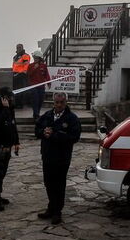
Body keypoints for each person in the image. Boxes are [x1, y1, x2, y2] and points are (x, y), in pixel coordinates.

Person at [35, 92, 81, 224]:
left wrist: (55, 135)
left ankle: (57, 212)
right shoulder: (47, 116)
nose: (59, 105)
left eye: (62, 102)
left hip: (62, 158)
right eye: (57, 102)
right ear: (53, 102)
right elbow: (37, 130)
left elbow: (74, 137)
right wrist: (43, 133)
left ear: (65, 102)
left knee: (59, 185)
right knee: (48, 183)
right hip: (47, 156)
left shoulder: (71, 118)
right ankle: (51, 207)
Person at [27, 51, 51, 119]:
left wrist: (49, 83)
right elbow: (28, 74)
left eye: (37, 58)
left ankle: (37, 113)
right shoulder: (30, 66)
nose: (35, 59)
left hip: (41, 86)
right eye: (34, 58)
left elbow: (46, 75)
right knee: (35, 100)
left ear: (40, 58)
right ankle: (36, 114)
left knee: (40, 100)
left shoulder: (44, 66)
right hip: (33, 86)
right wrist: (34, 68)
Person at [11, 44, 31, 108]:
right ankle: (17, 103)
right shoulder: (15, 57)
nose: (18, 49)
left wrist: (23, 73)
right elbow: (14, 66)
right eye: (17, 47)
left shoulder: (25, 56)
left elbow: (26, 65)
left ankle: (20, 104)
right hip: (15, 74)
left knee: (21, 90)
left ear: (22, 48)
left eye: (19, 47)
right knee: (15, 90)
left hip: (21, 75)